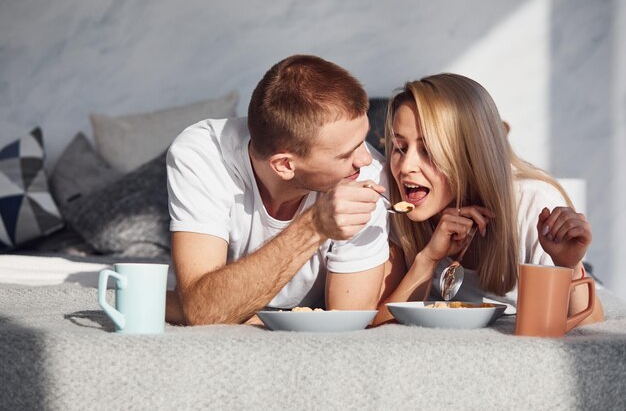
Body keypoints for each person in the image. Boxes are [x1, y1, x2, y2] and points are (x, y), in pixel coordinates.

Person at [165, 54, 390, 325]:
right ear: (284, 165)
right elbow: (203, 311)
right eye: (345, 155)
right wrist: (316, 226)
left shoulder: (368, 173)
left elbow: (348, 318)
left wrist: (228, 308)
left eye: (363, 140)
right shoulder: (203, 155)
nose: (365, 159)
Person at [372, 73, 604, 326]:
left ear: (470, 153)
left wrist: (569, 265)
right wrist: (428, 259)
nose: (406, 167)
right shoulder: (396, 204)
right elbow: (381, 325)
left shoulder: (533, 202)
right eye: (399, 147)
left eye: (428, 150)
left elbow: (590, 333)